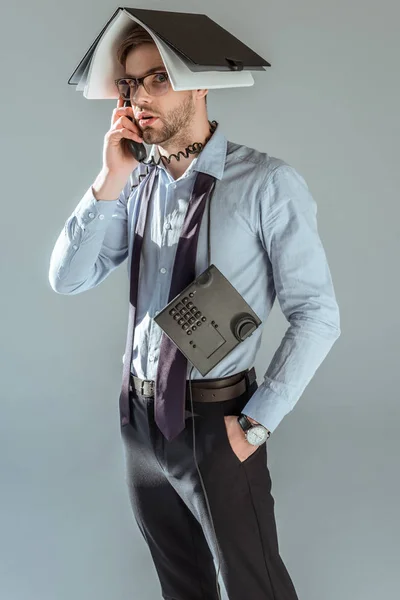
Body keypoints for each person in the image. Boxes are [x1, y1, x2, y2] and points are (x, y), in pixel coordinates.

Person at [49, 22, 340, 600]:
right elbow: (68, 278)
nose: (140, 97)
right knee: (182, 587)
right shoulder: (135, 184)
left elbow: (317, 313)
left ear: (199, 85)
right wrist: (110, 177)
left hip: (218, 422)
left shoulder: (265, 183)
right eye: (131, 85)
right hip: (138, 420)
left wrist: (256, 425)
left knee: (254, 586)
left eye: (158, 79)